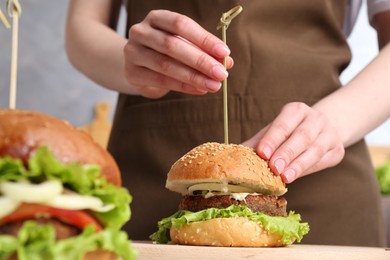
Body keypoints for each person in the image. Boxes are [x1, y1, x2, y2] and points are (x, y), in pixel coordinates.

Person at [65, 0, 390, 246]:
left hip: (324, 179)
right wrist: (130, 62)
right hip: (151, 167)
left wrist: (335, 121)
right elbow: (83, 26)